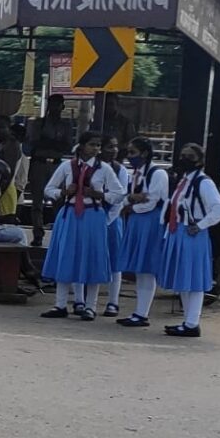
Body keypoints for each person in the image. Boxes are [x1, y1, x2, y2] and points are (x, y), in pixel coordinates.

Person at [40, 130, 125, 321]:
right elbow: (48, 190)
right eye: (92, 144)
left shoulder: (104, 169)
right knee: (66, 256)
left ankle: (90, 306)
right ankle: (60, 304)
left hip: (93, 215)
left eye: (98, 145)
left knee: (92, 257)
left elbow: (119, 193)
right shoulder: (67, 166)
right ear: (82, 146)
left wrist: (101, 195)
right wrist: (62, 192)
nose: (96, 148)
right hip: (70, 213)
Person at [156, 143, 220, 338]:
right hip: (178, 231)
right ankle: (188, 321)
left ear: (200, 161)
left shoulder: (203, 182)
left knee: (193, 280)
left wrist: (201, 225)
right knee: (184, 279)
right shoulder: (185, 180)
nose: (184, 159)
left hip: (191, 233)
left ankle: (192, 323)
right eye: (182, 155)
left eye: (189, 156)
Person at [116, 136, 169, 328]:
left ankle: (142, 313)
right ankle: (139, 311)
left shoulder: (157, 173)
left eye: (133, 152)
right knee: (140, 270)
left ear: (144, 153)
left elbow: (151, 201)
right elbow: (133, 197)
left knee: (146, 268)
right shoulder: (137, 174)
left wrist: (133, 205)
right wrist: (133, 199)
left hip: (150, 221)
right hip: (137, 221)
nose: (130, 157)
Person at [25, 94, 73, 246]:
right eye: (52, 104)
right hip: (39, 162)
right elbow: (32, 144)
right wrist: (52, 143)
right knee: (37, 201)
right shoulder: (38, 123)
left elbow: (67, 146)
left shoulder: (65, 125)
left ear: (62, 107)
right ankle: (38, 233)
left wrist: (48, 143)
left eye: (57, 105)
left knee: (58, 200)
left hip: (56, 164)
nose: (54, 108)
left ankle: (59, 233)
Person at [98, 135, 130, 317]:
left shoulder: (120, 170)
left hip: (112, 218)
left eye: (115, 146)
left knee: (115, 261)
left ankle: (113, 302)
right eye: (109, 146)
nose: (114, 150)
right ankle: (86, 300)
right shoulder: (92, 168)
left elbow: (120, 199)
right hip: (93, 217)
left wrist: (108, 219)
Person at [0, 115, 22, 216]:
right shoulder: (3, 144)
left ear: (9, 129)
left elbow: (8, 174)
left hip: (3, 192)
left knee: (1, 227)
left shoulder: (11, 145)